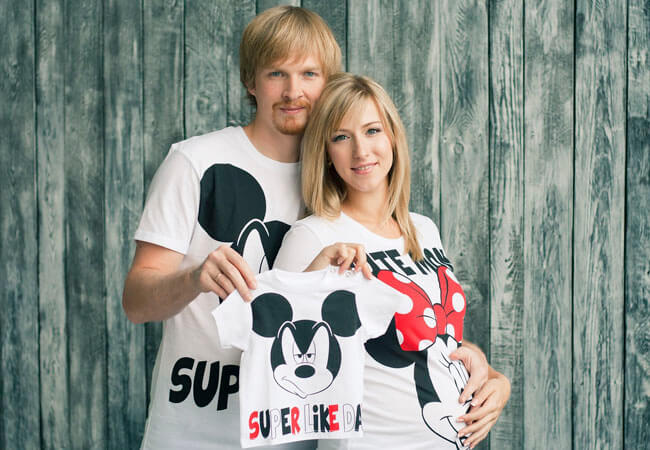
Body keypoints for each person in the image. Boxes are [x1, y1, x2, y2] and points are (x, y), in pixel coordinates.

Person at [122, 6, 342, 449]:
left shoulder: (343, 174)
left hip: (292, 435)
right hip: (192, 432)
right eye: (276, 73)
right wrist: (194, 277)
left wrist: (470, 360)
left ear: (328, 83)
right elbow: (136, 302)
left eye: (309, 74)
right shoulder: (195, 162)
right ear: (250, 81)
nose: (293, 91)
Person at [273, 73, 511, 449]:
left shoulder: (423, 230)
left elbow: (427, 335)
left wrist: (497, 379)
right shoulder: (313, 236)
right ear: (326, 153)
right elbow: (271, 349)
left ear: (393, 138)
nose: (361, 151)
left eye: (372, 131)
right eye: (341, 137)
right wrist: (316, 270)